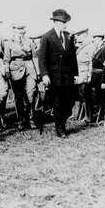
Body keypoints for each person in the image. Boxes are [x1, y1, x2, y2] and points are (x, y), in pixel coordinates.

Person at [39, 9, 78, 138]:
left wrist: (76, 74)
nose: (65, 24)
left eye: (65, 22)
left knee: (69, 102)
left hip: (67, 76)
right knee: (57, 103)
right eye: (62, 22)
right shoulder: (47, 37)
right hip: (54, 76)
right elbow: (42, 58)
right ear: (55, 22)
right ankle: (60, 128)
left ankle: (61, 121)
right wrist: (44, 74)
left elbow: (73, 57)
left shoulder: (68, 37)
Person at [4, 23, 39, 130]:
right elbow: (6, 59)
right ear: (13, 30)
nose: (20, 30)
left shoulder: (29, 41)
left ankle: (31, 118)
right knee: (18, 96)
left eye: (22, 28)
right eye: (18, 29)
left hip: (29, 68)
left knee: (31, 93)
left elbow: (34, 57)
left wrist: (37, 72)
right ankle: (21, 120)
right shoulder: (8, 43)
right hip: (15, 70)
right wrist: (6, 70)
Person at [74, 29, 95, 123]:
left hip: (85, 73)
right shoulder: (82, 46)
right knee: (82, 96)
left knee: (87, 96)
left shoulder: (90, 46)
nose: (77, 37)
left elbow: (91, 62)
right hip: (80, 74)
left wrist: (89, 75)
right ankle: (85, 115)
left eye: (79, 35)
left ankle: (89, 116)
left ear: (84, 35)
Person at [88, 33, 105, 123]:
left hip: (100, 75)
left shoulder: (104, 48)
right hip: (95, 75)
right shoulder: (97, 48)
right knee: (98, 97)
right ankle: (100, 116)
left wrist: (104, 78)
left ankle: (103, 116)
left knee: (102, 97)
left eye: (95, 37)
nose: (94, 39)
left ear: (100, 38)